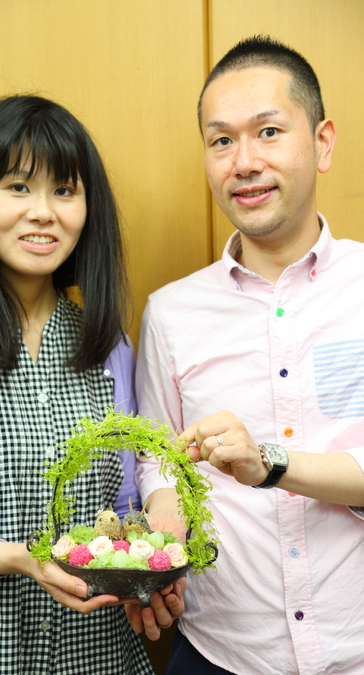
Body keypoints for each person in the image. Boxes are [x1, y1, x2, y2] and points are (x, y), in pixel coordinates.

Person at [133, 36, 364, 675]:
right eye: (221, 140)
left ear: (322, 143)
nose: (244, 162)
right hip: (221, 653)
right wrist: (165, 534)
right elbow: (159, 460)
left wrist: (271, 464)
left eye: (268, 132)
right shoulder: (170, 313)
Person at [0, 94, 155, 675]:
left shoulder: (108, 346)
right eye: (18, 187)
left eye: (64, 191)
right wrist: (9, 557)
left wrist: (148, 571)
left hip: (97, 659)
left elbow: (125, 506)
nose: (43, 212)